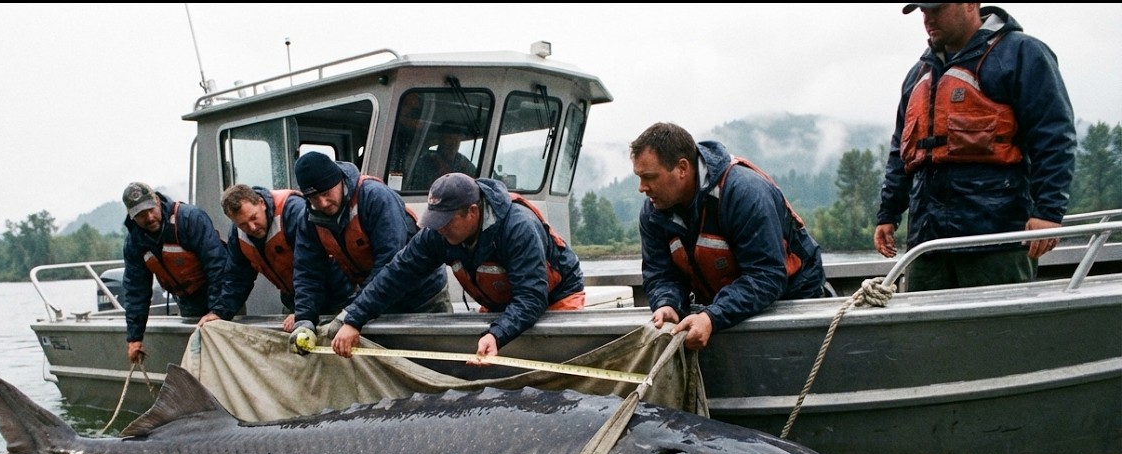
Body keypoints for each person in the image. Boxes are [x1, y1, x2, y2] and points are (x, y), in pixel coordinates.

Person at [874, 3, 1076, 291]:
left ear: (970, 4)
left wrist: (1048, 212)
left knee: (999, 334)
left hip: (997, 241)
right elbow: (900, 152)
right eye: (923, 12)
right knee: (928, 335)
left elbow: (1054, 137)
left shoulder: (1022, 54)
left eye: (937, 9)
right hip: (927, 244)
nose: (928, 19)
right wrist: (888, 214)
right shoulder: (917, 76)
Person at [329, 172, 586, 362]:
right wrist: (355, 319)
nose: (440, 228)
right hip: (500, 303)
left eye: (446, 221)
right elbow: (398, 272)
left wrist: (497, 334)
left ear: (472, 212)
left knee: (554, 362)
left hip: (555, 299)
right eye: (435, 220)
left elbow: (531, 297)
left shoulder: (519, 228)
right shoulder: (439, 234)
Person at [630, 122, 826, 351]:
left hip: (793, 299)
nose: (642, 188)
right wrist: (667, 304)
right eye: (639, 177)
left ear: (682, 168)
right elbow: (660, 274)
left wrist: (712, 316)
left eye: (649, 177)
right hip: (725, 302)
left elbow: (766, 275)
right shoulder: (653, 211)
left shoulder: (745, 193)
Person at [289, 152, 451, 340]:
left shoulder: (376, 198)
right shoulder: (308, 218)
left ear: (340, 181)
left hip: (423, 296)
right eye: (314, 199)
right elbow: (307, 271)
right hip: (375, 300)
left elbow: (390, 262)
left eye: (326, 193)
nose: (322, 203)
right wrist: (305, 320)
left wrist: (353, 314)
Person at [198, 184, 353, 332]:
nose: (252, 227)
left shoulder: (293, 212)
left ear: (261, 203)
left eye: (254, 218)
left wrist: (304, 313)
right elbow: (237, 278)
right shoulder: (238, 236)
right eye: (243, 225)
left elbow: (314, 267)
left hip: (336, 296)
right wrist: (219, 312)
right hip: (294, 301)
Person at [120, 181, 228, 364]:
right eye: (140, 214)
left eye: (150, 209)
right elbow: (136, 291)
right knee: (198, 361)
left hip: (220, 295)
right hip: (188, 303)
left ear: (157, 200)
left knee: (224, 355)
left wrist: (217, 311)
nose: (149, 217)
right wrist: (134, 338)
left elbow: (217, 266)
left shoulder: (190, 218)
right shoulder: (133, 244)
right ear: (131, 216)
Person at [406, 125, 478, 192]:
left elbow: (476, 181)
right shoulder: (426, 162)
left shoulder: (464, 163)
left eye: (456, 139)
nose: (453, 143)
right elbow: (417, 188)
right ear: (440, 140)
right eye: (449, 138)